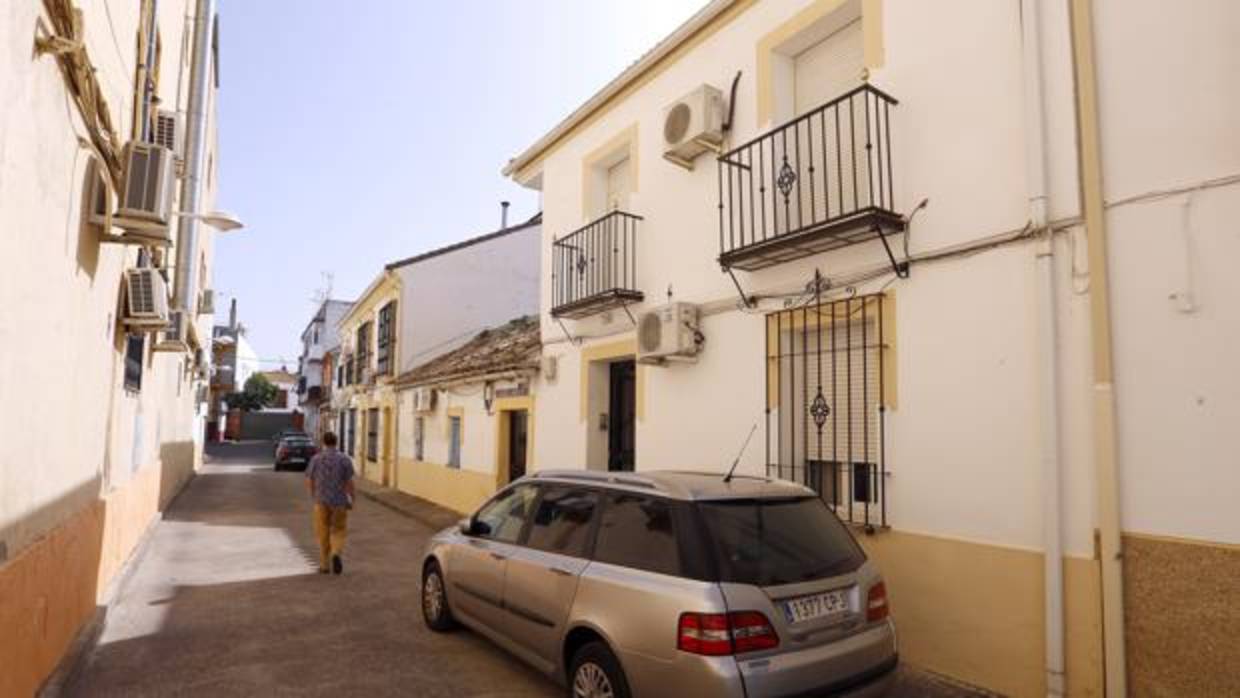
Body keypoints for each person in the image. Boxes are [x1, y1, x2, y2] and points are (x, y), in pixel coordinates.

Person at [304, 431, 355, 575]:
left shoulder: (316, 459)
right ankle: (336, 552)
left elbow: (309, 480)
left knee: (323, 532)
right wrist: (352, 498)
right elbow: (349, 482)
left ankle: (324, 565)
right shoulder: (344, 459)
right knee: (338, 529)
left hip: (321, 501)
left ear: (324, 442)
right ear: (336, 442)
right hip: (339, 501)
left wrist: (314, 495)